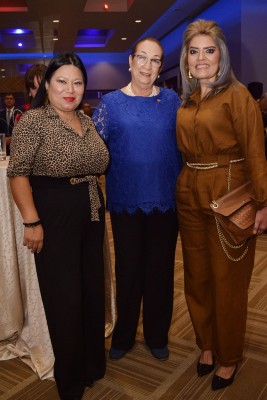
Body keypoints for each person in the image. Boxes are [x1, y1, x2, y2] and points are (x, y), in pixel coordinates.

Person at [7, 52, 109, 400]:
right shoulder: (32, 122)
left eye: (77, 82)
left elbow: (99, 165)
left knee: (91, 293)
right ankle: (70, 380)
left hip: (92, 214)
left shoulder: (87, 120)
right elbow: (18, 175)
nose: (70, 89)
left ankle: (93, 364)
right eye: (62, 81)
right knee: (65, 300)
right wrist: (32, 221)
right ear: (47, 84)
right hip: (55, 217)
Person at [176, 19, 267, 391]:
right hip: (189, 191)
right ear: (186, 59)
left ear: (221, 55)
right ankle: (207, 346)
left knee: (227, 281)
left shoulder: (237, 95)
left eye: (208, 51)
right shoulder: (187, 99)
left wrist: (263, 203)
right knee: (196, 278)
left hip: (228, 193)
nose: (201, 58)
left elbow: (255, 152)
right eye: (194, 51)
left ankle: (228, 356)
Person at [93, 37, 182, 361]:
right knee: (129, 270)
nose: (147, 66)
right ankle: (125, 335)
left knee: (160, 271)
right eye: (142, 58)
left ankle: (158, 335)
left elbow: (188, 145)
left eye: (155, 60)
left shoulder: (173, 101)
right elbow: (93, 151)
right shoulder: (111, 105)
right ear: (130, 62)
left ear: (161, 67)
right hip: (125, 202)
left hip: (165, 202)